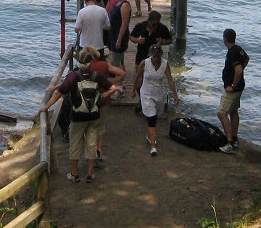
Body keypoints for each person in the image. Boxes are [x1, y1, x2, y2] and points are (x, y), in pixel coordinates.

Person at [40, 49, 117, 182]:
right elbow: (113, 88)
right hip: (93, 115)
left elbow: (59, 93)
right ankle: (90, 174)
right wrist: (103, 96)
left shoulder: (73, 76)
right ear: (90, 63)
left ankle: (74, 174)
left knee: (75, 143)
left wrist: (46, 107)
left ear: (79, 62)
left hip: (77, 116)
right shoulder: (95, 76)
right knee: (91, 144)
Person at [132, 44, 179, 156]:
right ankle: (153, 146)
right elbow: (138, 76)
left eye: (157, 57)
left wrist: (175, 94)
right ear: (151, 55)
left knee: (156, 114)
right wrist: (133, 89)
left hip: (158, 92)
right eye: (154, 57)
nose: (155, 59)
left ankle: (150, 135)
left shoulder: (165, 64)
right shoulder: (145, 63)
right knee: (151, 117)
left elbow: (170, 79)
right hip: (146, 92)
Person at [84, 46, 125, 166]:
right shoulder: (104, 65)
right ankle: (99, 150)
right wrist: (109, 84)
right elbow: (122, 73)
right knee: (101, 127)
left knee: (90, 127)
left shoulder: (85, 68)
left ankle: (91, 151)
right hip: (104, 99)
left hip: (89, 101)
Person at [128, 10, 173, 115]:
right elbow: (131, 37)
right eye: (153, 23)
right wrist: (138, 40)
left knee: (151, 81)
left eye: (157, 23)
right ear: (149, 21)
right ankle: (142, 100)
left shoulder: (162, 29)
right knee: (138, 80)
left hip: (155, 59)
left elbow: (170, 40)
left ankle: (148, 102)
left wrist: (163, 42)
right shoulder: (141, 26)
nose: (155, 26)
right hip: (141, 57)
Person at [217, 28, 249, 154]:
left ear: (225, 38)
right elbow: (246, 58)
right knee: (233, 112)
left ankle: (229, 142)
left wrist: (233, 85)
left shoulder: (232, 52)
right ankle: (234, 138)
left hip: (233, 89)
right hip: (240, 86)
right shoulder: (238, 49)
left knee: (222, 113)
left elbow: (239, 70)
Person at [106, 0, 132, 68]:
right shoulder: (119, 3)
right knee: (119, 59)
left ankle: (118, 79)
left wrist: (119, 40)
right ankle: (121, 75)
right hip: (114, 33)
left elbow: (124, 24)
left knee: (116, 62)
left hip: (119, 35)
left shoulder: (125, 5)